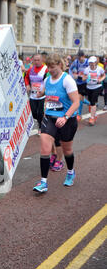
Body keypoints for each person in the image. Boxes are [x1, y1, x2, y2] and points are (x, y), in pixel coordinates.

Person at [33, 53, 80, 193]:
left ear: (60, 65)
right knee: (45, 148)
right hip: (49, 118)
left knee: (67, 150)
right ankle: (43, 182)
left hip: (66, 120)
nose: (50, 70)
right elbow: (43, 92)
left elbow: (76, 102)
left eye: (52, 67)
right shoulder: (47, 80)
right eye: (48, 67)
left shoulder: (67, 80)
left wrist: (65, 117)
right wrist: (39, 94)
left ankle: (71, 172)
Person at [24, 53, 48, 134]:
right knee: (33, 112)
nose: (36, 62)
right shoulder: (31, 69)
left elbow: (49, 80)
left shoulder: (45, 69)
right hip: (33, 95)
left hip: (42, 95)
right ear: (32, 61)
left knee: (40, 112)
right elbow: (26, 77)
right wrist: (27, 85)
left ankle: (41, 128)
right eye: (35, 60)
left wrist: (44, 91)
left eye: (38, 60)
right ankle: (40, 121)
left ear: (42, 60)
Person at [83, 56, 105, 125]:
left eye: (93, 63)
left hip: (97, 87)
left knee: (92, 102)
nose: (91, 64)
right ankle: (94, 115)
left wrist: (100, 80)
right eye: (90, 63)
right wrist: (85, 77)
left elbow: (104, 75)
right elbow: (83, 78)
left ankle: (92, 118)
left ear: (95, 62)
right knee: (91, 102)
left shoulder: (99, 69)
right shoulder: (86, 69)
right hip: (89, 87)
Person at [69, 51, 88, 120]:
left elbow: (91, 71)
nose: (79, 59)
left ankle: (79, 114)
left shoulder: (88, 62)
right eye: (78, 57)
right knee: (79, 98)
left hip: (85, 82)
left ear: (83, 56)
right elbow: (70, 69)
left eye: (80, 58)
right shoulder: (76, 62)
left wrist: (86, 77)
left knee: (79, 98)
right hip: (77, 82)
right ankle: (89, 104)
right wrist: (72, 76)